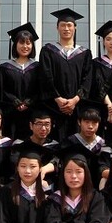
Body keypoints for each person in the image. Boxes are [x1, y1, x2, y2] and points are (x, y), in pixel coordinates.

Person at [40, 8, 93, 141]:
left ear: (75, 27)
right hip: (54, 107)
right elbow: (46, 76)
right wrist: (58, 99)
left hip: (77, 108)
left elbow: (87, 79)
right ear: (57, 28)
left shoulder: (84, 53)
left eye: (69, 25)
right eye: (62, 25)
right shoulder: (48, 51)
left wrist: (75, 100)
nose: (66, 28)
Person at [0, 22, 41, 138]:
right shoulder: (5, 67)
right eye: (21, 42)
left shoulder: (38, 67)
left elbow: (40, 89)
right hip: (11, 114)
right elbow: (2, 89)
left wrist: (29, 102)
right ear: (15, 45)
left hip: (32, 114)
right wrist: (15, 101)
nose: (25, 46)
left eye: (28, 43)